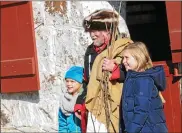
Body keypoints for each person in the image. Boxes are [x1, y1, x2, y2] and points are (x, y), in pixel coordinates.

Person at [74, 9, 133, 133]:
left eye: (97, 30)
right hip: (95, 108)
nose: (92, 35)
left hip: (118, 108)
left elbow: (136, 76)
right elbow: (87, 80)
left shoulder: (124, 47)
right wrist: (80, 102)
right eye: (90, 30)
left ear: (108, 30)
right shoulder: (90, 51)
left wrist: (116, 70)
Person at [119, 42, 168, 133]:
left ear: (138, 58)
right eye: (123, 58)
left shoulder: (143, 81)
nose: (123, 61)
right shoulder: (133, 79)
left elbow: (141, 111)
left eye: (127, 58)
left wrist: (131, 131)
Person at [58, 66, 83, 133]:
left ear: (80, 82)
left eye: (72, 81)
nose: (69, 84)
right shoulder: (64, 100)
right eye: (67, 81)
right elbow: (62, 124)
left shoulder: (83, 99)